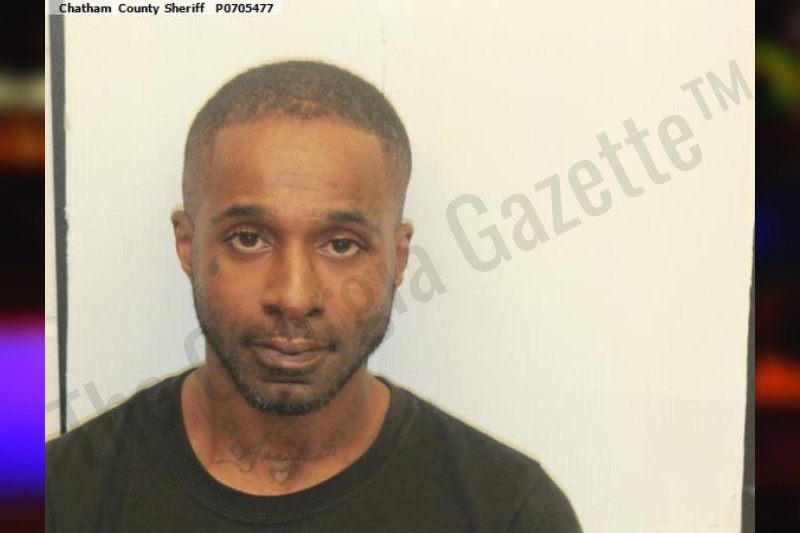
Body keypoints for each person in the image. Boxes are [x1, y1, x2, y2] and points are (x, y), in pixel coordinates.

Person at [45, 60, 582, 532]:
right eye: (249, 239)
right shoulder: (58, 500)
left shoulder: (507, 515)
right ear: (187, 245)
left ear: (399, 257)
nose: (294, 296)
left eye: (341, 244)